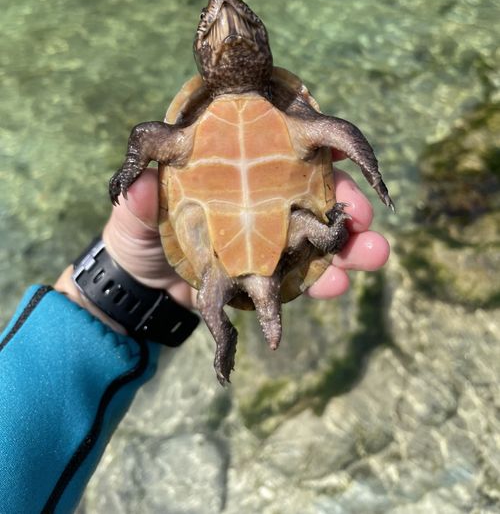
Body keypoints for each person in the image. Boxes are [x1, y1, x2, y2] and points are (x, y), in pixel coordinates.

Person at [0, 167, 390, 513]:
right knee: (293, 253)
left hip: (209, 245)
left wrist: (124, 283)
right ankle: (229, 339)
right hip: (263, 236)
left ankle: (229, 337)